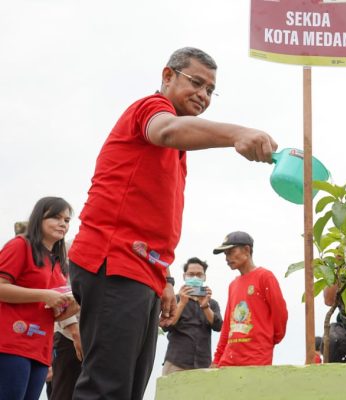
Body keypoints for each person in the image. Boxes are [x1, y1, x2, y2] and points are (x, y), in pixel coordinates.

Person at [67, 47, 277, 399]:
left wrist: (163, 277)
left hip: (141, 271)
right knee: (106, 387)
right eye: (196, 83)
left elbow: (151, 217)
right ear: (168, 76)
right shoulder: (151, 110)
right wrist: (236, 133)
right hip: (114, 262)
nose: (203, 95)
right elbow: (166, 130)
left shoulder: (177, 148)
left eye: (210, 90)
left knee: (130, 387)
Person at [0, 197, 79, 400]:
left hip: (40, 350)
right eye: (56, 217)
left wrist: (75, 304)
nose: (63, 223)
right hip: (11, 343)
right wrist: (45, 295)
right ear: (39, 219)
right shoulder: (20, 245)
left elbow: (56, 314)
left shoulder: (58, 263)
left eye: (67, 220)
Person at [211, 231, 288, 366]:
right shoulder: (233, 285)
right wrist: (217, 359)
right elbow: (227, 326)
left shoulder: (265, 277)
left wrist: (267, 342)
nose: (227, 258)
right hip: (229, 360)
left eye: (230, 252)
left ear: (247, 250)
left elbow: (280, 315)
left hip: (256, 359)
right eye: (225, 254)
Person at [162, 257, 223, 375]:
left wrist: (205, 306)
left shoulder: (212, 303)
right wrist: (182, 303)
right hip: (176, 362)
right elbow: (167, 326)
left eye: (199, 275)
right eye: (191, 274)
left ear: (204, 277)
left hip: (203, 363)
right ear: (184, 276)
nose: (195, 278)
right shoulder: (175, 299)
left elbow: (218, 326)